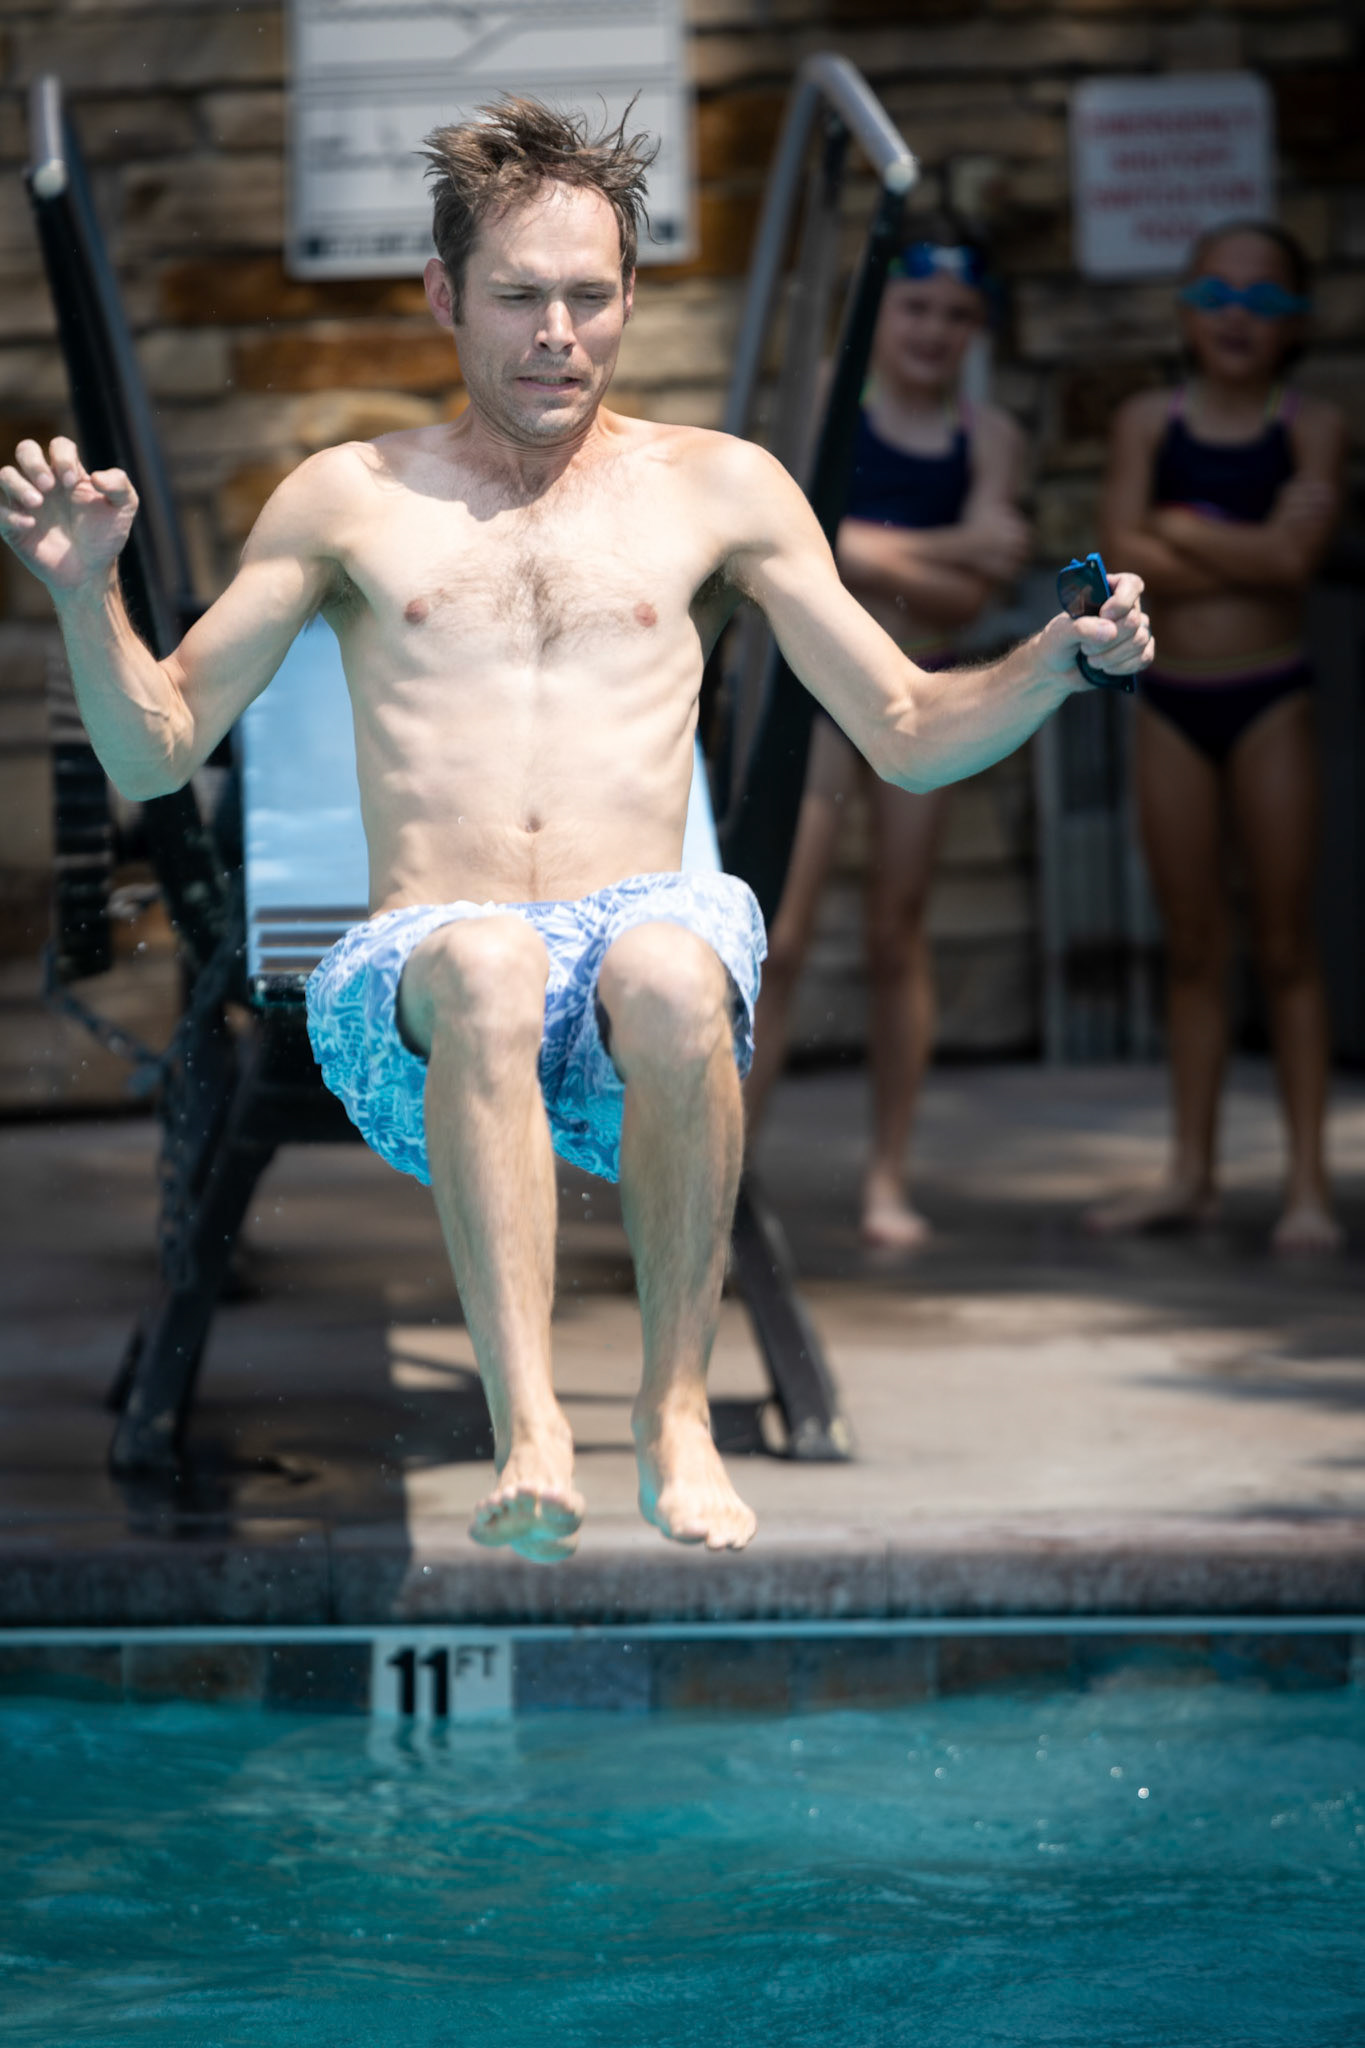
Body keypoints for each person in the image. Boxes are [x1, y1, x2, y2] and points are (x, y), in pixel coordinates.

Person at [0, 100, 1152, 1562]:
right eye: (520, 298)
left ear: (629, 297)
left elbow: (911, 734)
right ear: (442, 298)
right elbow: (154, 746)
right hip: (424, 972)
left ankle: (672, 1412)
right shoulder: (349, 499)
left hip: (631, 948)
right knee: (489, 963)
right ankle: (532, 1425)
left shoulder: (721, 491)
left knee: (676, 962)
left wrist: (1059, 659)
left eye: (590, 298)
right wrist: (83, 600)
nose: (559, 334)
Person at [743, 221, 1029, 1248]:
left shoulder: (987, 436)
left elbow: (980, 587)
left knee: (896, 933)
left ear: (976, 329)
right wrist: (942, 547)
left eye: (957, 315)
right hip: (826, 688)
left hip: (936, 685)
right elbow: (802, 545)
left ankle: (888, 1178)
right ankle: (726, 1177)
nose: (933, 329)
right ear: (882, 313)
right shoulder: (829, 398)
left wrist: (870, 556)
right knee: (777, 944)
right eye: (915, 307)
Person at [1095, 219, 1344, 1252]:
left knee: (1286, 945)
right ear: (1188, 312)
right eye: (1218, 297)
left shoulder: (1313, 423)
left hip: (1268, 696)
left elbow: (1297, 563)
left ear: (1294, 324)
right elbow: (1120, 548)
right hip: (1174, 700)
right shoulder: (1149, 419)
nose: (1239, 317)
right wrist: (1241, 541)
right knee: (1191, 945)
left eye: (1266, 300)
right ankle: (1190, 1174)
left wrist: (1183, 530)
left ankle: (1308, 1188)